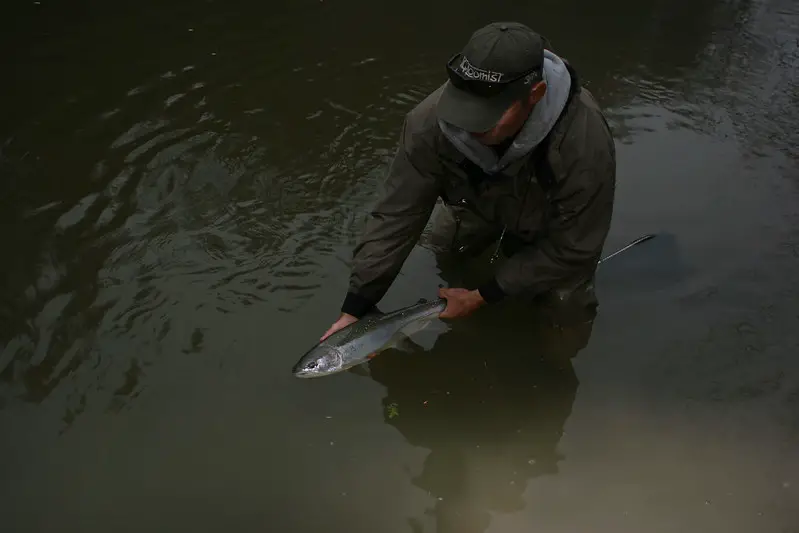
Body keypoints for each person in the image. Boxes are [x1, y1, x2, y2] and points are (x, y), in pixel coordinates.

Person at [321, 21, 616, 341]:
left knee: (565, 311)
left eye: (488, 115)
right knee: (444, 247)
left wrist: (483, 294)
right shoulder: (427, 123)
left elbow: (575, 247)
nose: (470, 126)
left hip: (550, 222)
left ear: (535, 94)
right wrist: (357, 306)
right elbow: (397, 215)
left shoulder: (584, 140)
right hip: (476, 204)